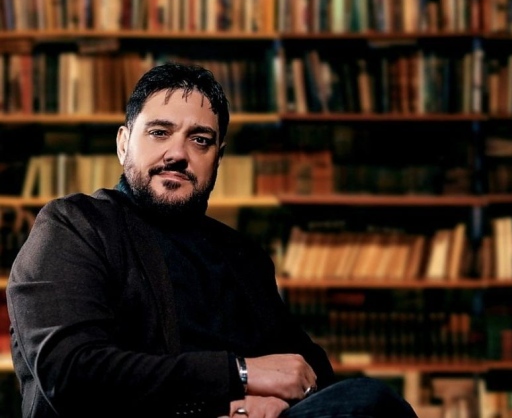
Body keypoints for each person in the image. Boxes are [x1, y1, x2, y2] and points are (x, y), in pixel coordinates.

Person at [7, 62, 418, 418]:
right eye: (159, 132)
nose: (177, 154)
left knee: (368, 401)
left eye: (200, 140)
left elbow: (306, 367)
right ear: (123, 143)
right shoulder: (74, 226)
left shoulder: (243, 256)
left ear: (217, 157)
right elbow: (73, 374)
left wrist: (277, 402)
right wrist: (240, 377)